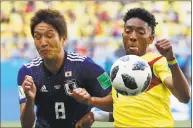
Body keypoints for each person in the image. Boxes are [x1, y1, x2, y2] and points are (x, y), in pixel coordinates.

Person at [76, 8, 190, 127]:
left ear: (150, 39)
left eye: (140, 32)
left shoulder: (156, 61)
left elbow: (184, 97)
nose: (133, 37)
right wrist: (93, 110)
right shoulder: (118, 67)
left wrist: (171, 60)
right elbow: (122, 109)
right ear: (122, 36)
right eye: (128, 31)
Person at [17, 9, 113, 128]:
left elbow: (115, 102)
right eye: (37, 37)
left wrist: (91, 102)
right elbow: (26, 125)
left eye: (49, 36)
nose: (43, 43)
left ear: (63, 39)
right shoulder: (27, 72)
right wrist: (30, 101)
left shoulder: (85, 66)